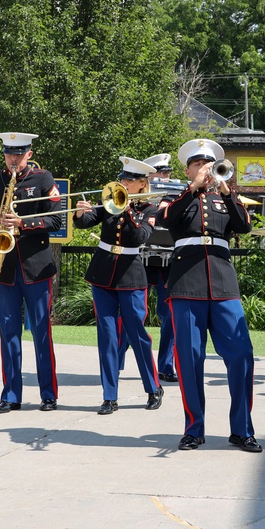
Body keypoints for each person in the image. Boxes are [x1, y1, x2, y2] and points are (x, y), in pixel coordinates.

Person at [160, 138, 260, 453]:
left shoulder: (225, 197)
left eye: (208, 163)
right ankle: (194, 429)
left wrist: (228, 190)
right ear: (187, 169)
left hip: (223, 283)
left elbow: (244, 226)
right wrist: (191, 190)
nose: (204, 169)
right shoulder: (174, 197)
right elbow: (165, 221)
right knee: (189, 360)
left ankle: (242, 429)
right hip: (186, 284)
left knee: (242, 356)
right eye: (197, 164)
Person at [74, 157, 163, 414]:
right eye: (122, 178)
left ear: (142, 184)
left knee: (137, 335)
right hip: (103, 274)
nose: (122, 183)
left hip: (131, 275)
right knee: (108, 336)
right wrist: (81, 212)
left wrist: (127, 210)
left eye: (128, 180)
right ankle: (109, 396)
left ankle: (153, 387)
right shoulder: (111, 200)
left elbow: (139, 236)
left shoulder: (150, 209)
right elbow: (87, 221)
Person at [0, 132, 62, 414]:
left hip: (36, 267)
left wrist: (22, 223)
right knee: (8, 334)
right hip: (6, 269)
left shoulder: (43, 178)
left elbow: (56, 219)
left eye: (19, 153)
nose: (13, 159)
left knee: (42, 332)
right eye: (9, 153)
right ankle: (10, 395)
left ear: (29, 153)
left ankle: (49, 395)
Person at [142, 152, 179, 383]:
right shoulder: (140, 193)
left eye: (167, 173)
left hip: (168, 262)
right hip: (142, 260)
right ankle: (119, 358)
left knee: (168, 315)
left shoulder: (177, 195)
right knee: (133, 313)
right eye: (161, 173)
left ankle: (166, 366)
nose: (165, 176)